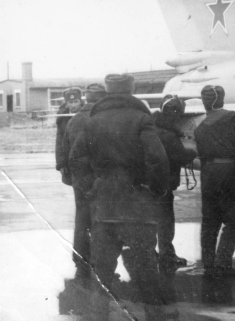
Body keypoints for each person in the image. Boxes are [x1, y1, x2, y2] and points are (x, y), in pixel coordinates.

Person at [70, 74, 177, 321]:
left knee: (103, 271)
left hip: (104, 205)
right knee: (147, 267)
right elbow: (157, 158)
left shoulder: (91, 122)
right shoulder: (141, 119)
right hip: (138, 203)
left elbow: (76, 159)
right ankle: (155, 315)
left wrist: (91, 187)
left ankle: (98, 316)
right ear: (132, 90)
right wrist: (156, 189)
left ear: (109, 91)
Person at [194, 85, 235, 278]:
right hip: (230, 173)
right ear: (222, 98)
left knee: (210, 220)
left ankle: (208, 263)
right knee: (234, 221)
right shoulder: (233, 118)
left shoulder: (200, 126)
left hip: (208, 174)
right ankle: (222, 263)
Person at [62, 83, 107, 288]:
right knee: (99, 218)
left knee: (81, 218)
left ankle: (80, 259)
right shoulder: (101, 119)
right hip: (98, 177)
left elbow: (65, 148)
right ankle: (99, 260)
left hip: (79, 178)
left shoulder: (73, 120)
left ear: (86, 98)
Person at [153, 95, 196, 274]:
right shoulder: (169, 135)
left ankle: (149, 253)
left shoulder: (151, 127)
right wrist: (192, 152)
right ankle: (167, 255)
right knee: (165, 221)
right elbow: (180, 156)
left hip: (148, 183)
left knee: (151, 219)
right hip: (164, 184)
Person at [55, 87, 83, 185]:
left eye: (76, 101)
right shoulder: (62, 119)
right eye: (70, 102)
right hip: (70, 159)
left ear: (80, 101)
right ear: (66, 104)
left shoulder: (87, 114)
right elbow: (59, 142)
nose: (74, 105)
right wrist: (61, 163)